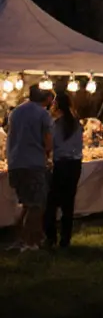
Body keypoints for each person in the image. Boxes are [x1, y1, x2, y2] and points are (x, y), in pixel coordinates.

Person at [6, 87, 52, 251]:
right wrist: (49, 153)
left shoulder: (16, 112)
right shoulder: (42, 114)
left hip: (15, 162)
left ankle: (20, 239)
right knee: (36, 205)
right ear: (45, 99)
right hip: (33, 163)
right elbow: (48, 140)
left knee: (25, 203)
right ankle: (29, 242)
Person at [44, 92, 83, 248]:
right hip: (75, 164)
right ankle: (65, 239)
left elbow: (50, 145)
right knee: (68, 202)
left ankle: (51, 237)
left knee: (51, 202)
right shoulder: (76, 124)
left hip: (61, 164)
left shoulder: (56, 124)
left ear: (56, 105)